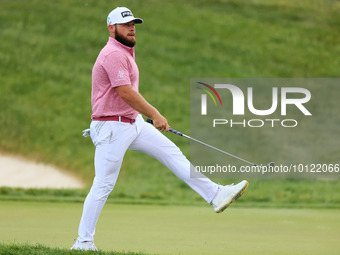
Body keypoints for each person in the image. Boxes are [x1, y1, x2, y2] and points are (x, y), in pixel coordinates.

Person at [71, 7, 249, 251]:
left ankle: (215, 194)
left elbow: (125, 95)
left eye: (133, 23)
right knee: (103, 185)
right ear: (111, 28)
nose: (132, 28)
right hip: (112, 127)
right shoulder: (112, 54)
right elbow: (125, 92)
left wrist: (143, 118)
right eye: (125, 25)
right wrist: (154, 114)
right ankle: (83, 242)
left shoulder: (125, 51)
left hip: (131, 123)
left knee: (171, 153)